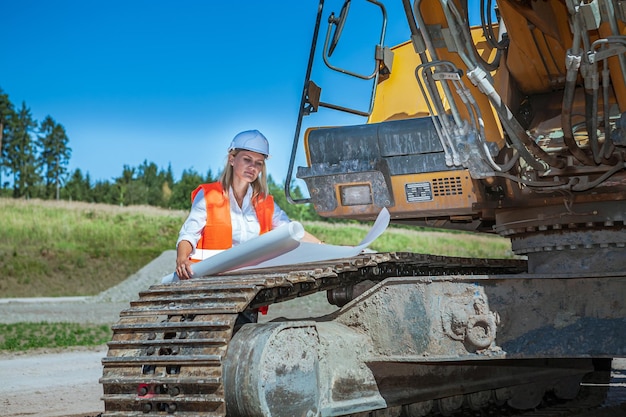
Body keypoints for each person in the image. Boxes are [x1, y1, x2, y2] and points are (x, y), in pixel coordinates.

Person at [175, 129, 322, 281]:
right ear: (232, 159)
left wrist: (322, 246)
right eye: (247, 159)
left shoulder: (264, 203)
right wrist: (182, 258)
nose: (253, 167)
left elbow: (292, 231)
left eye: (258, 163)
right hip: (208, 280)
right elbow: (189, 234)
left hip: (248, 282)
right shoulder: (209, 195)